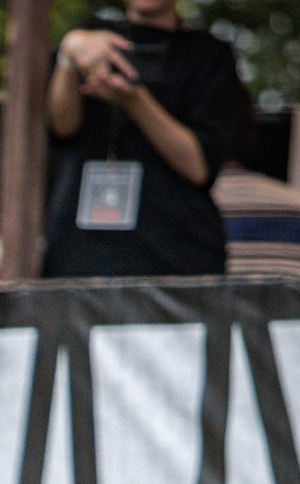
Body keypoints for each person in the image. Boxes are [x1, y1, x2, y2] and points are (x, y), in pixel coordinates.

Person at [43, 0, 247, 278]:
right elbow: (60, 127)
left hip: (174, 257)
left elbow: (199, 166)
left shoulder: (208, 54)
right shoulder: (89, 36)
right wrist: (69, 56)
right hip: (79, 253)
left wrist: (135, 100)